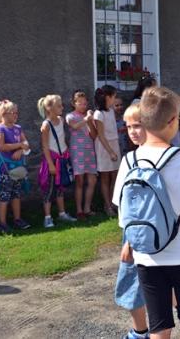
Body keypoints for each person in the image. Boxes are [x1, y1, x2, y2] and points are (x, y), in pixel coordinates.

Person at [112, 87, 180, 339]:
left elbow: (124, 212)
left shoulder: (129, 161)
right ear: (171, 122)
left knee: (159, 327)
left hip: (148, 257)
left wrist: (131, 244)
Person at [115, 104, 149, 339]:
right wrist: (128, 241)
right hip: (135, 233)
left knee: (168, 284)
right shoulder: (129, 160)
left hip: (161, 234)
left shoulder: (168, 156)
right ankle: (140, 331)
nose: (133, 132)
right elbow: (123, 204)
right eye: (129, 127)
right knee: (132, 282)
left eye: (138, 125)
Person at [38, 94, 77, 228]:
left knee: (60, 187)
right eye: (59, 106)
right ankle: (47, 217)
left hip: (62, 158)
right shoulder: (46, 125)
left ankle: (62, 213)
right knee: (49, 190)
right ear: (49, 108)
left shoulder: (61, 120)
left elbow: (62, 138)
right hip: (52, 160)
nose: (62, 108)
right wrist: (50, 164)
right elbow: (45, 146)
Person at [0, 99, 31, 234]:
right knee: (4, 195)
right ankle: (2, 224)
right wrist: (20, 145)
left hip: (18, 166)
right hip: (6, 168)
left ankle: (17, 219)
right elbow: (1, 146)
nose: (16, 115)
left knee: (16, 194)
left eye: (16, 112)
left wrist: (21, 150)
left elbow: (26, 144)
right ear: (3, 114)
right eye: (13, 113)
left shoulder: (18, 128)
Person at [66, 90, 98, 219]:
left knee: (92, 180)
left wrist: (90, 121)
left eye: (85, 103)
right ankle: (79, 210)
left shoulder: (88, 117)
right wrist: (86, 119)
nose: (83, 106)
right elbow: (75, 127)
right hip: (77, 151)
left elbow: (94, 135)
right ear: (73, 103)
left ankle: (87, 208)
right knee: (79, 181)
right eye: (80, 103)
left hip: (89, 150)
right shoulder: (70, 116)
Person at [94, 85, 121, 217]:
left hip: (114, 144)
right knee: (105, 177)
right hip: (104, 147)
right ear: (107, 97)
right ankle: (107, 205)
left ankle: (112, 201)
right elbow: (101, 135)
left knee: (115, 175)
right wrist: (110, 151)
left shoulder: (110, 111)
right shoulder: (98, 114)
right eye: (113, 96)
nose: (115, 99)